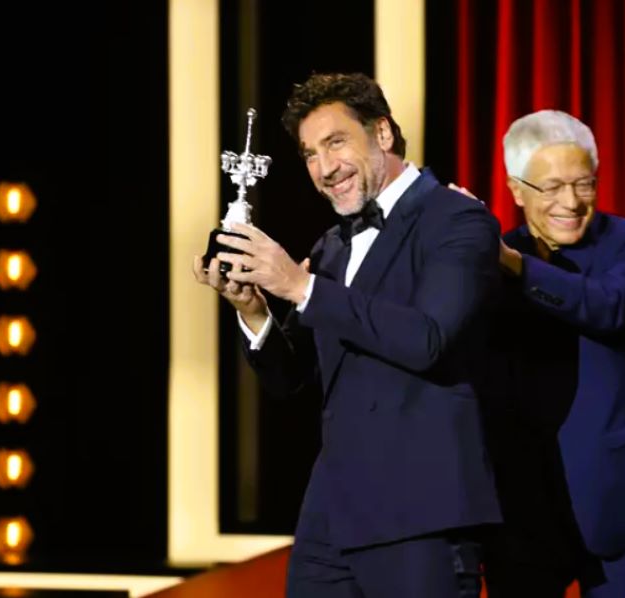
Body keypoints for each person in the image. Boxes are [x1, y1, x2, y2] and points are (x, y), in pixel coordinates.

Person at [192, 72, 502, 598]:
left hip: (419, 512)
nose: (323, 168)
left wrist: (300, 284)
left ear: (382, 133)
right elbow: (291, 378)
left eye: (335, 143)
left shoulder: (459, 220)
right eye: (310, 154)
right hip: (330, 517)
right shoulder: (333, 245)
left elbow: (427, 339)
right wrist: (253, 310)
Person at [479, 109, 625, 597]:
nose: (570, 202)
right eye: (550, 187)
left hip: (618, 496)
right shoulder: (487, 257)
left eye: (584, 184)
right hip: (520, 503)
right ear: (516, 190)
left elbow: (611, 307)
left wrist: (514, 266)